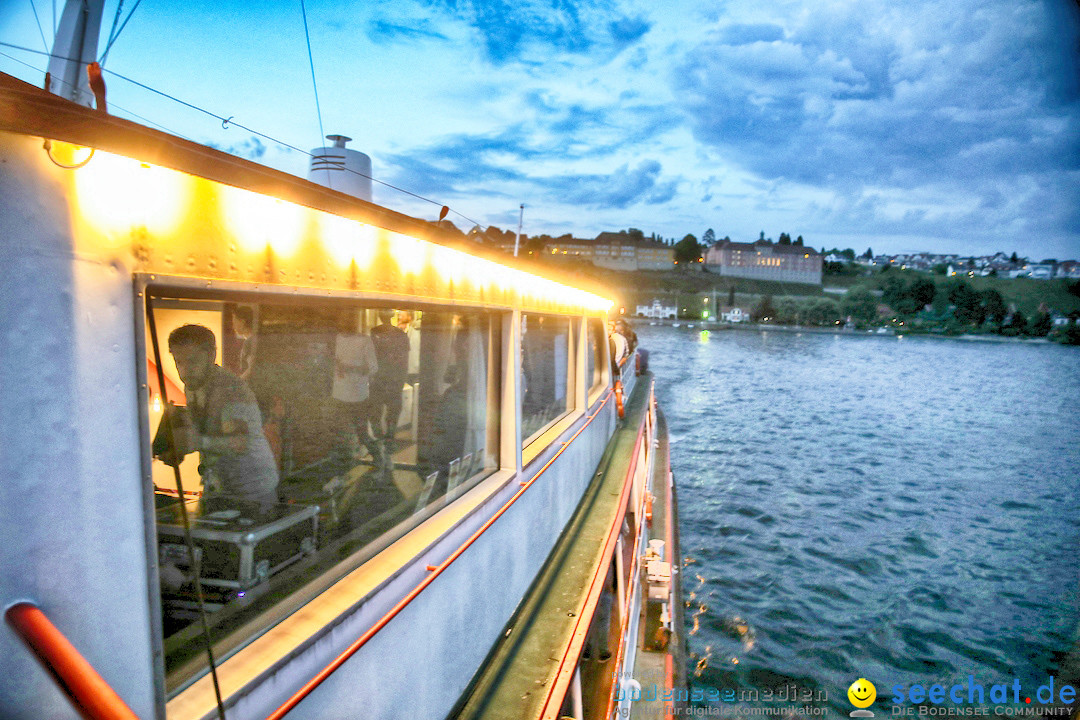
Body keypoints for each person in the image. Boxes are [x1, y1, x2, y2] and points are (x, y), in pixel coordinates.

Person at [157, 324, 279, 507]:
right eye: (179, 362)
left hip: (253, 492)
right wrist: (176, 447)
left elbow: (240, 442)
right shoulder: (193, 385)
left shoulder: (231, 390)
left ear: (212, 355)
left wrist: (196, 442)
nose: (185, 370)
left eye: (193, 361)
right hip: (219, 488)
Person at [332, 315, 380, 464]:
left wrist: (350, 368)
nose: (345, 322)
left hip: (358, 396)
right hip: (338, 394)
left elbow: (373, 368)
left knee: (362, 432)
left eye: (348, 319)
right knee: (341, 434)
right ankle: (343, 469)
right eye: (343, 319)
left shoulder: (364, 340)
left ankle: (380, 459)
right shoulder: (335, 339)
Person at [369, 310, 410, 447]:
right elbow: (404, 360)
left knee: (377, 412)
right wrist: (401, 378)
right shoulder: (400, 334)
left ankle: (381, 440)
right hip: (392, 377)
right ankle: (388, 439)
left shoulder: (374, 332)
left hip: (380, 378)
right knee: (392, 411)